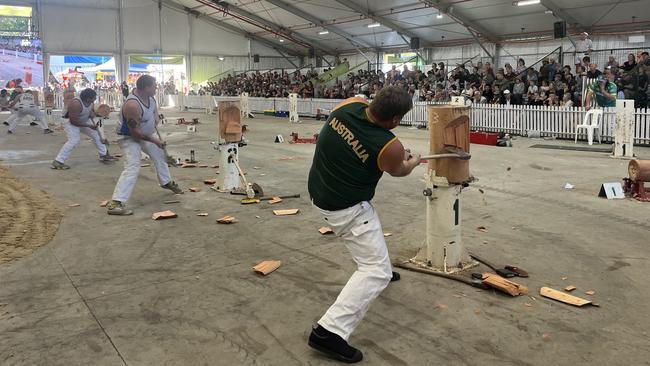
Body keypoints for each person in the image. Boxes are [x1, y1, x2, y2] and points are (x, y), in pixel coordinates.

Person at [307, 86, 420, 363]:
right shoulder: (388, 145)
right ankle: (329, 332)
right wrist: (413, 162)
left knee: (371, 221)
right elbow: (399, 169)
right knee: (375, 271)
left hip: (319, 190)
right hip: (346, 209)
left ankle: (381, 263)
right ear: (395, 119)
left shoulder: (348, 105)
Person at [106, 75, 183, 215]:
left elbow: (154, 113)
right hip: (129, 138)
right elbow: (135, 133)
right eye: (154, 85)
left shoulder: (151, 99)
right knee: (133, 166)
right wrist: (155, 141)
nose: (156, 88)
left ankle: (166, 182)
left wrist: (156, 118)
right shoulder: (132, 105)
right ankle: (116, 202)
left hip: (146, 135)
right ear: (146, 87)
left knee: (160, 156)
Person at [51, 88, 115, 169]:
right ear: (88, 98)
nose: (95, 99)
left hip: (82, 119)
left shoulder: (90, 102)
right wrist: (89, 126)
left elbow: (90, 113)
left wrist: (99, 130)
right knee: (74, 140)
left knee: (96, 135)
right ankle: (58, 161)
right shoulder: (75, 104)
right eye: (93, 98)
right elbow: (74, 122)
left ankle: (104, 154)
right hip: (69, 122)